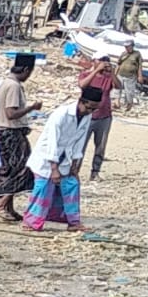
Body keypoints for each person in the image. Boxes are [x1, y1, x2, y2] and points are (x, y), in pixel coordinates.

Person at [22, 87, 101, 233]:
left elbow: (80, 140)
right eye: (89, 108)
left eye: (94, 110)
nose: (90, 112)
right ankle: (31, 222)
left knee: (72, 185)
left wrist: (75, 165)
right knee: (44, 189)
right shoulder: (61, 114)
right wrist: (53, 169)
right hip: (47, 158)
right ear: (81, 102)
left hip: (66, 157)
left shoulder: (87, 116)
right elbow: (52, 141)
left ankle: (73, 222)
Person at [0, 54, 42, 221]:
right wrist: (31, 108)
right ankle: (0, 204)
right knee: (21, 169)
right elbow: (11, 113)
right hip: (11, 132)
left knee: (11, 168)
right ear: (26, 70)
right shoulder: (14, 86)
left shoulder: (6, 82)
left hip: (6, 131)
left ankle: (8, 207)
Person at [77, 56, 120, 181]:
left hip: (104, 116)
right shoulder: (86, 74)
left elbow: (118, 86)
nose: (102, 64)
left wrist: (112, 72)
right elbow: (82, 85)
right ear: (94, 62)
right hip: (87, 116)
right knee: (80, 145)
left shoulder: (108, 78)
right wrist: (95, 71)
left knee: (100, 145)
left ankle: (95, 172)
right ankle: (75, 170)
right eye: (100, 61)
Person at [116, 41, 143, 110]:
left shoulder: (137, 54)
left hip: (130, 76)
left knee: (129, 92)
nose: (127, 48)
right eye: (125, 47)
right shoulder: (123, 54)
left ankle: (129, 105)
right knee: (117, 90)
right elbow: (118, 64)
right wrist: (115, 74)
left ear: (132, 46)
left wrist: (140, 76)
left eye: (128, 46)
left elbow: (140, 65)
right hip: (120, 74)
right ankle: (117, 103)